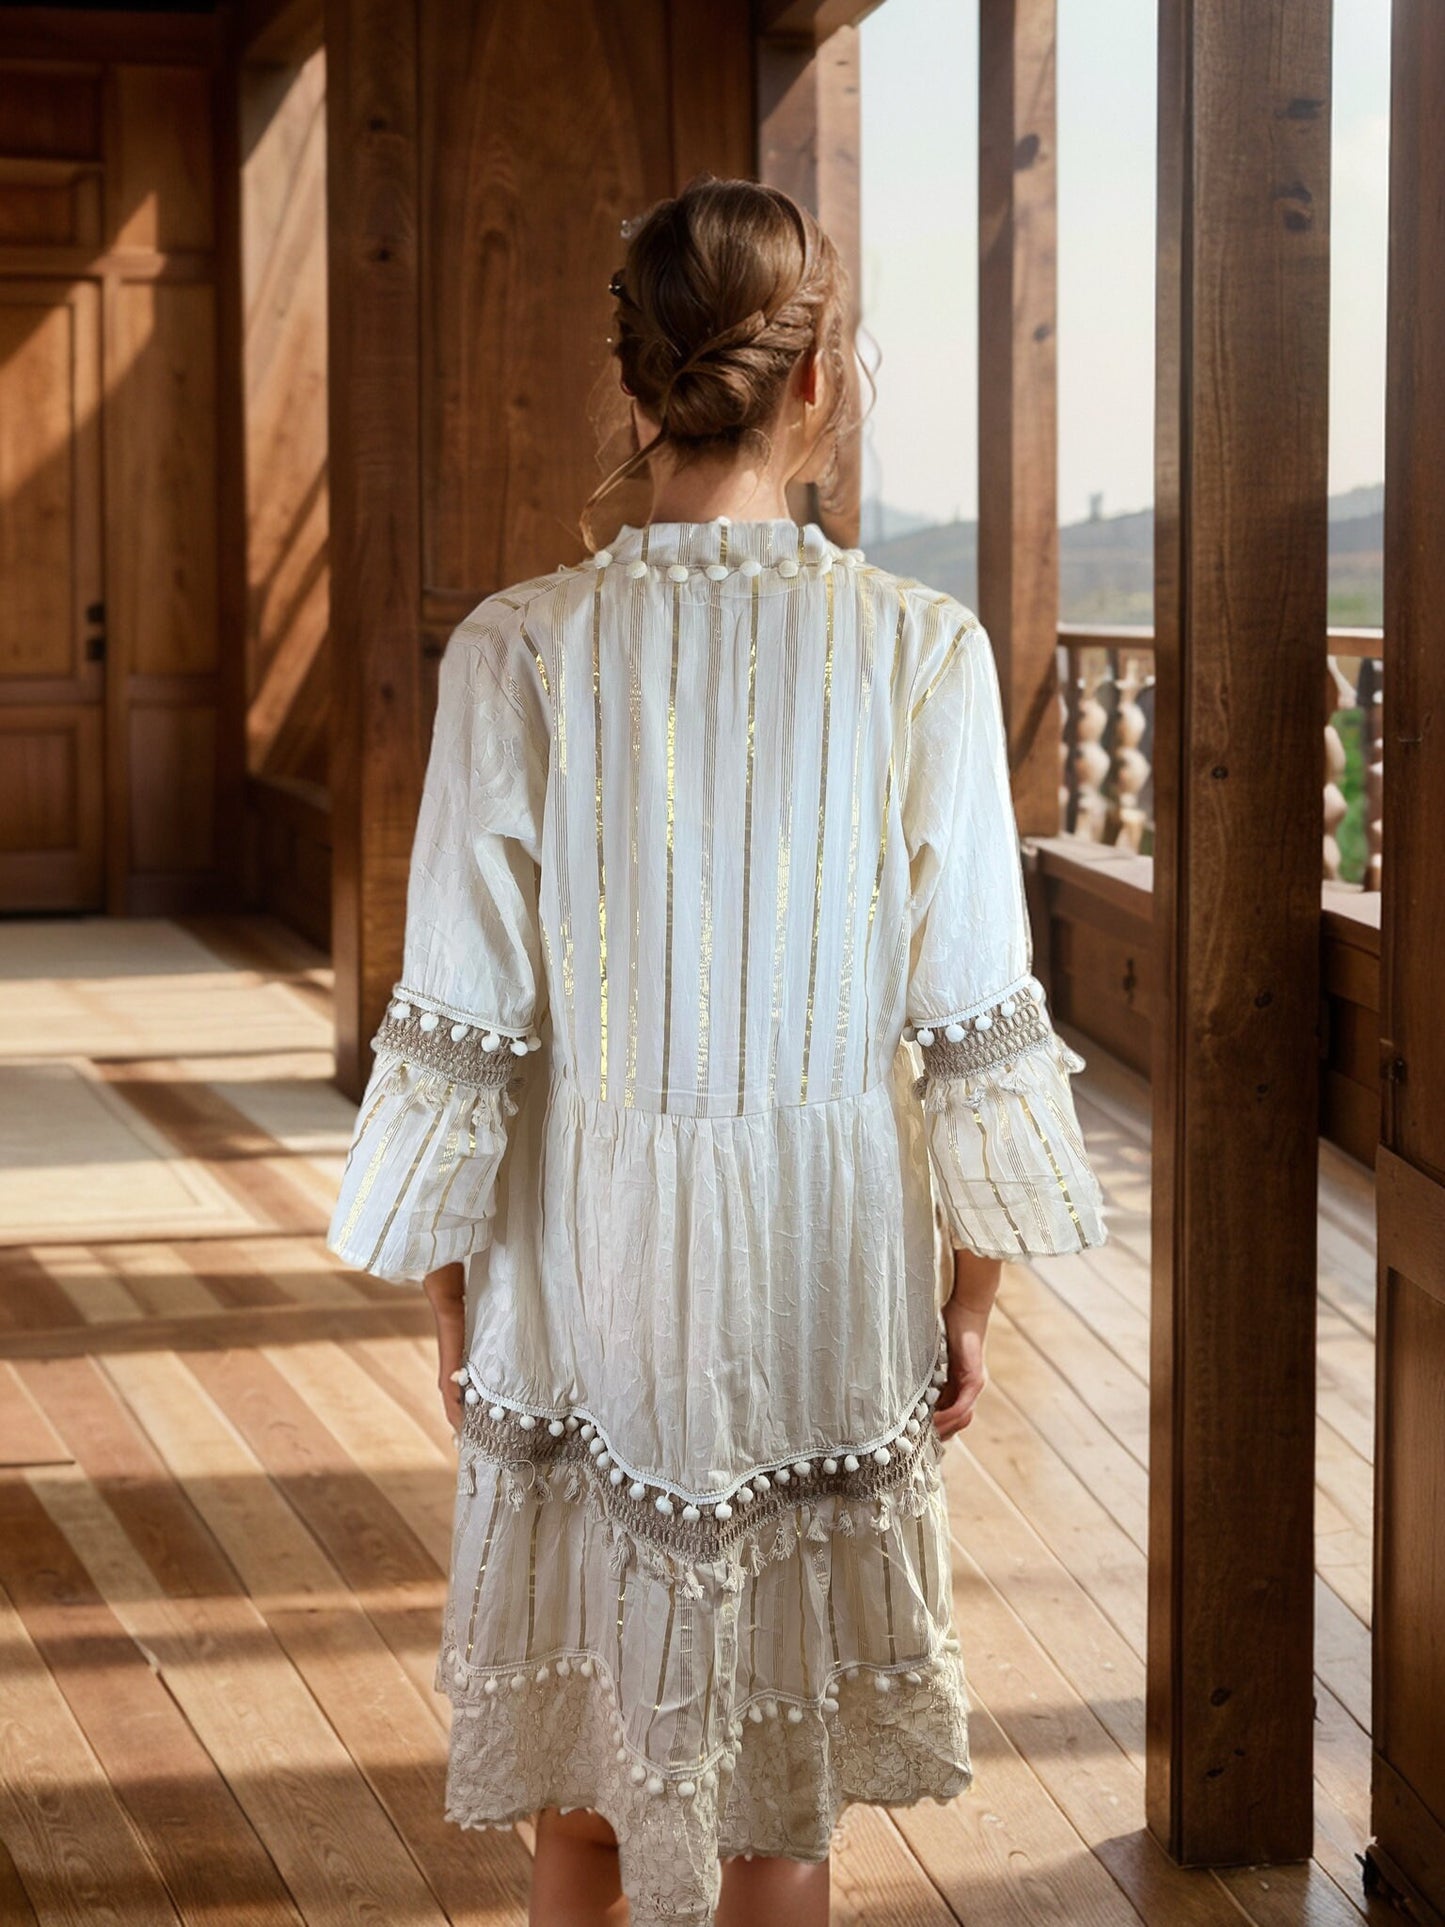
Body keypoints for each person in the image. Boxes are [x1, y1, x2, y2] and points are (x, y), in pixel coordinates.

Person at [327, 174, 1107, 1927]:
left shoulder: (520, 648)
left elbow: (460, 1017)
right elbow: (972, 1017)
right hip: (824, 1270)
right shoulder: (919, 650)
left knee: (579, 1803)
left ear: (636, 384)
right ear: (814, 379)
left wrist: (449, 1285)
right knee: (779, 1813)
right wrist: (970, 1301)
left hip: (579, 1265)